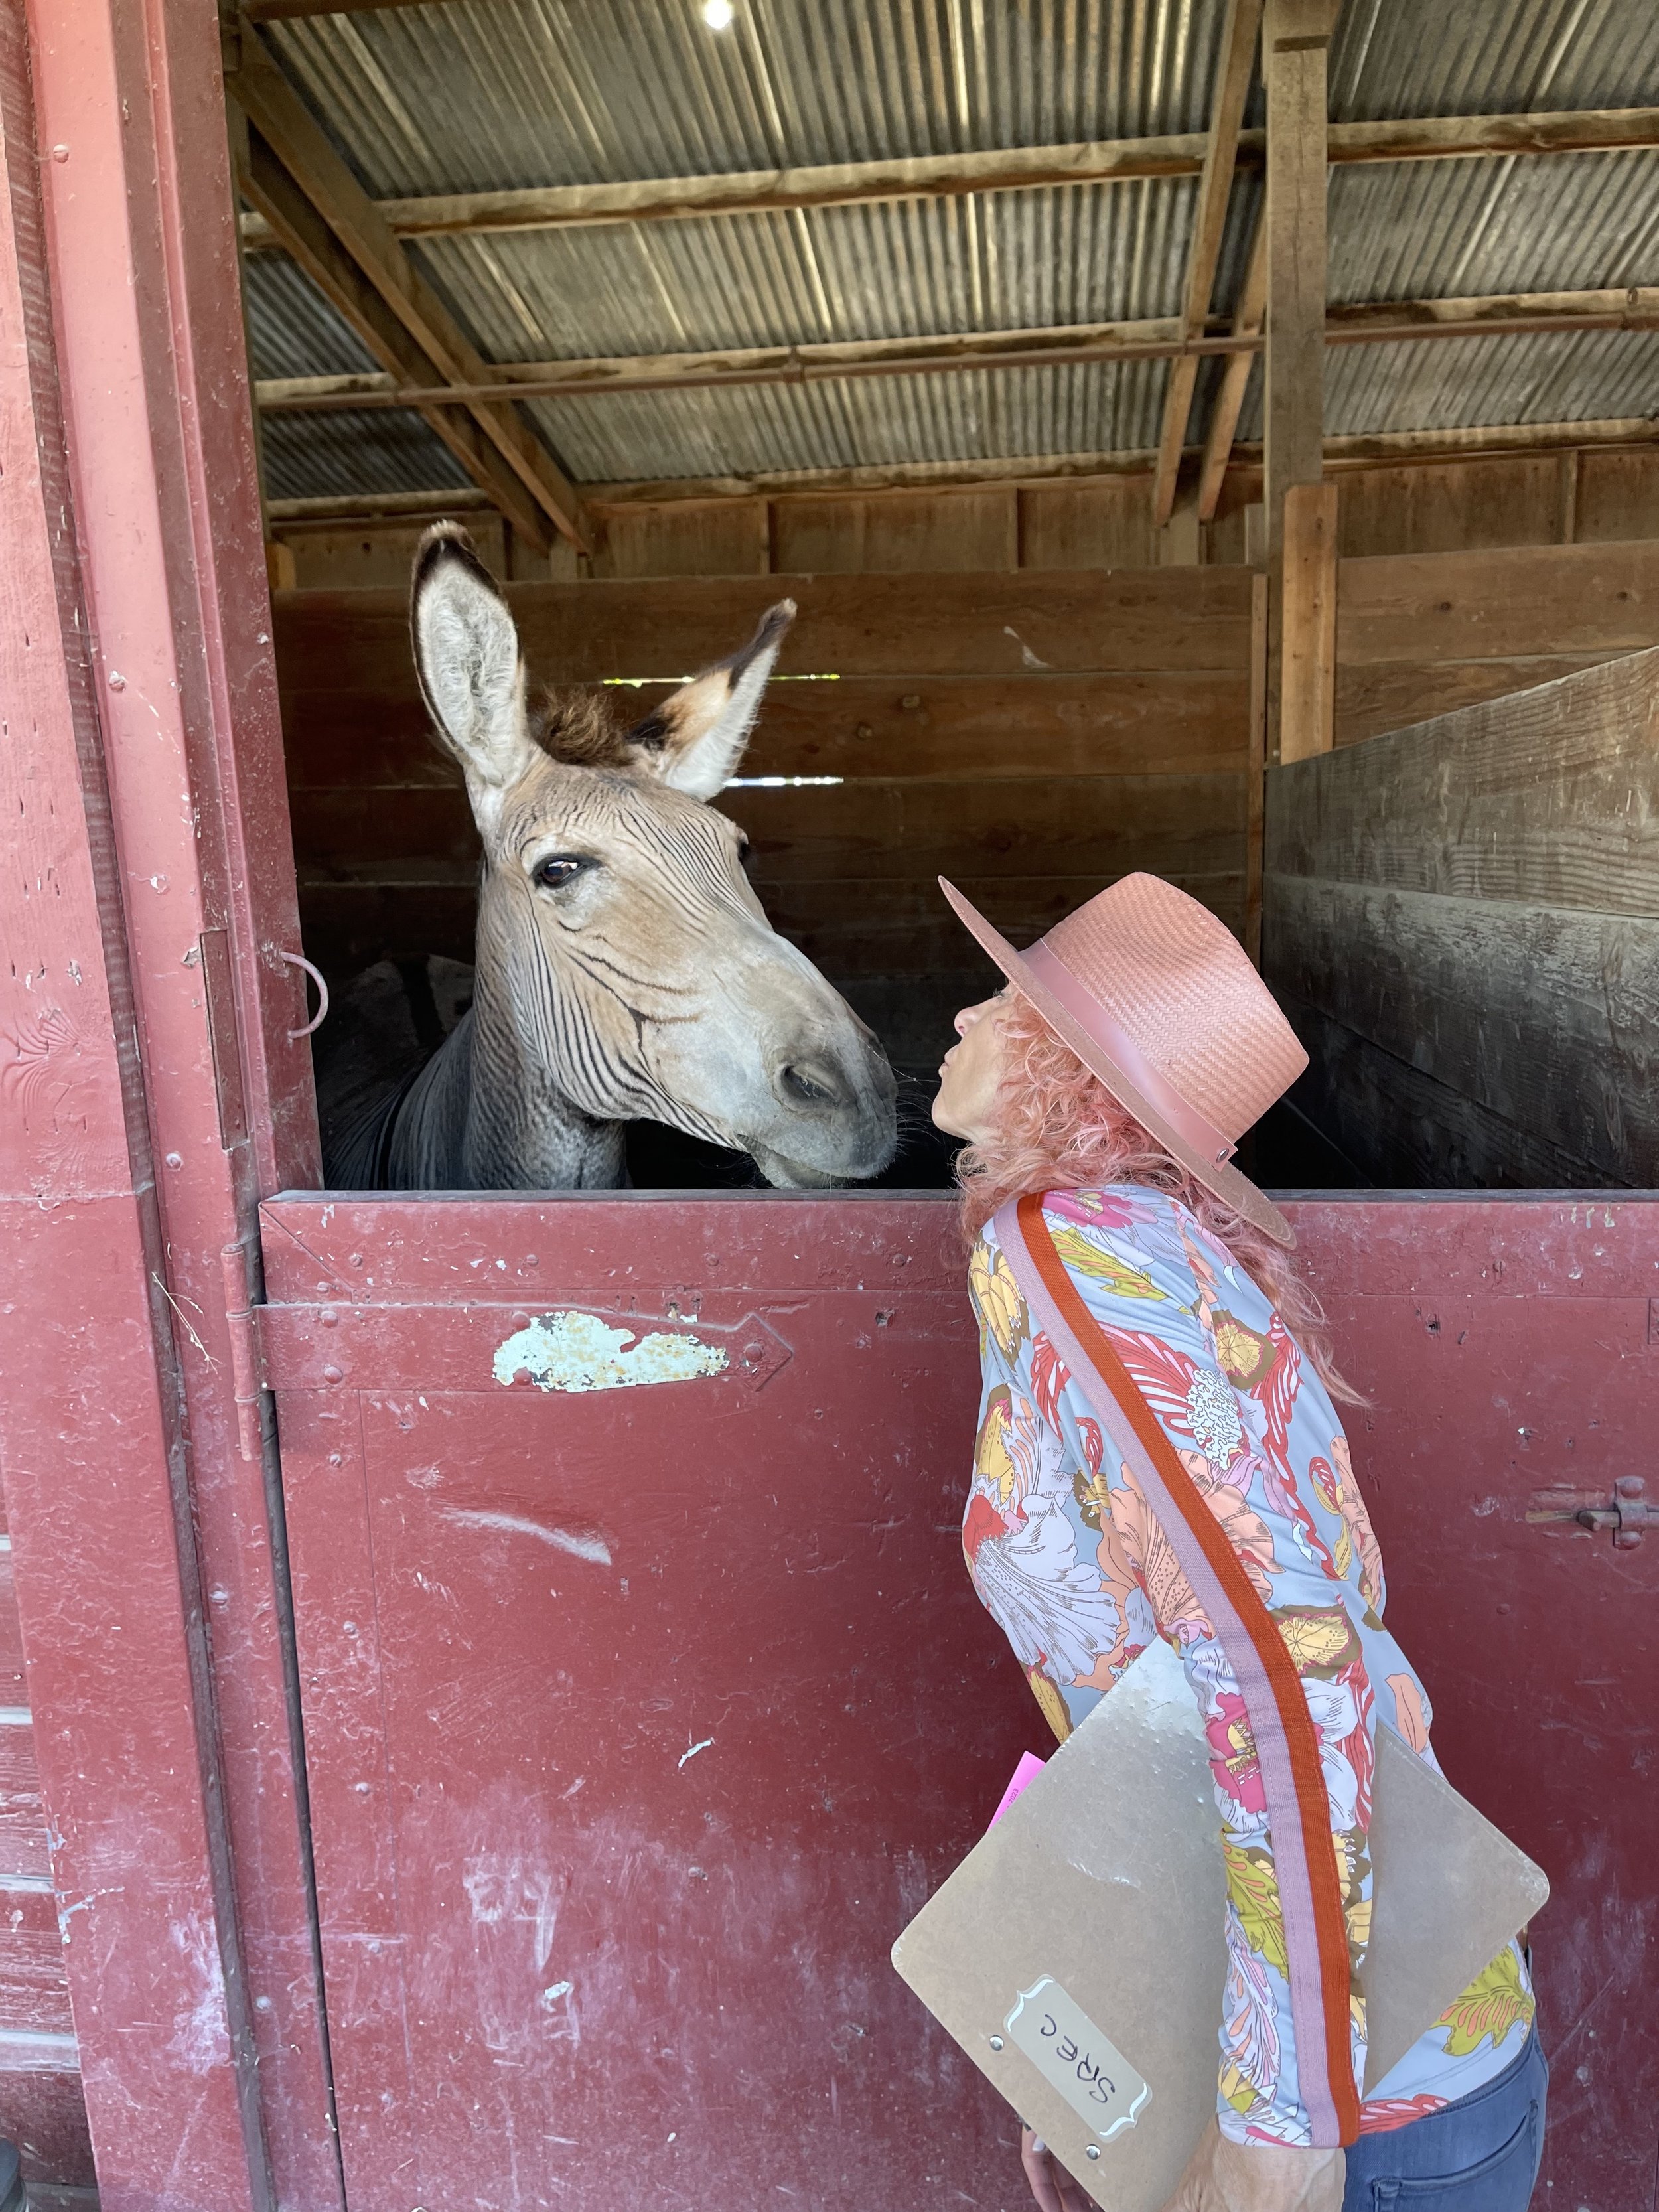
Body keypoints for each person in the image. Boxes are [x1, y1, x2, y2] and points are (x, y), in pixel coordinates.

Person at [929, 873, 1546, 2212]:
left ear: (1063, 1075)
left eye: (1009, 998)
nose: (968, 1007)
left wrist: (1275, 2130)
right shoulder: (1142, 1244)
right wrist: (1130, 2040)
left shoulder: (1072, 1250)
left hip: (1352, 2118)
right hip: (1396, 2067)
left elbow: (1284, 1662)